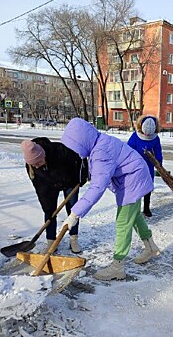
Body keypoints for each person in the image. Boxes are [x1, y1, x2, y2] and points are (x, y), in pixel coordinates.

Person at [60, 117, 160, 281]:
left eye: (75, 146)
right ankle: (151, 247)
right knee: (134, 217)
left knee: (123, 222)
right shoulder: (100, 142)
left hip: (132, 181)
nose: (76, 151)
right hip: (134, 176)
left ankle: (117, 267)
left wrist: (75, 214)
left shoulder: (100, 153)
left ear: (82, 141)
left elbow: (98, 187)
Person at [20, 138, 88, 253]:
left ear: (43, 155)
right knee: (49, 212)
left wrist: (82, 177)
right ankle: (51, 241)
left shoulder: (60, 151)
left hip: (70, 181)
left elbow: (80, 159)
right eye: (33, 164)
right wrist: (47, 206)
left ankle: (73, 239)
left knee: (73, 211)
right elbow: (39, 186)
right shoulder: (31, 166)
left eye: (38, 162)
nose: (36, 166)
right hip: (48, 185)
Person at [127, 115, 163, 217]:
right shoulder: (135, 136)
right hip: (136, 167)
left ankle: (146, 209)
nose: (147, 135)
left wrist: (159, 164)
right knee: (136, 187)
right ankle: (135, 208)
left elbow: (158, 152)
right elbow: (129, 150)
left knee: (147, 188)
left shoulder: (155, 139)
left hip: (148, 166)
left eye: (149, 134)